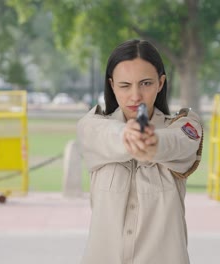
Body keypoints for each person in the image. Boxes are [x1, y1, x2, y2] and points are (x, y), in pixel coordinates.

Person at [77, 39, 204, 264]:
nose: (135, 96)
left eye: (145, 83)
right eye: (125, 85)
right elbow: (100, 133)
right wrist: (127, 136)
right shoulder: (93, 126)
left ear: (161, 82)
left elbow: (179, 141)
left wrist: (154, 143)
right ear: (112, 85)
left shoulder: (185, 127)